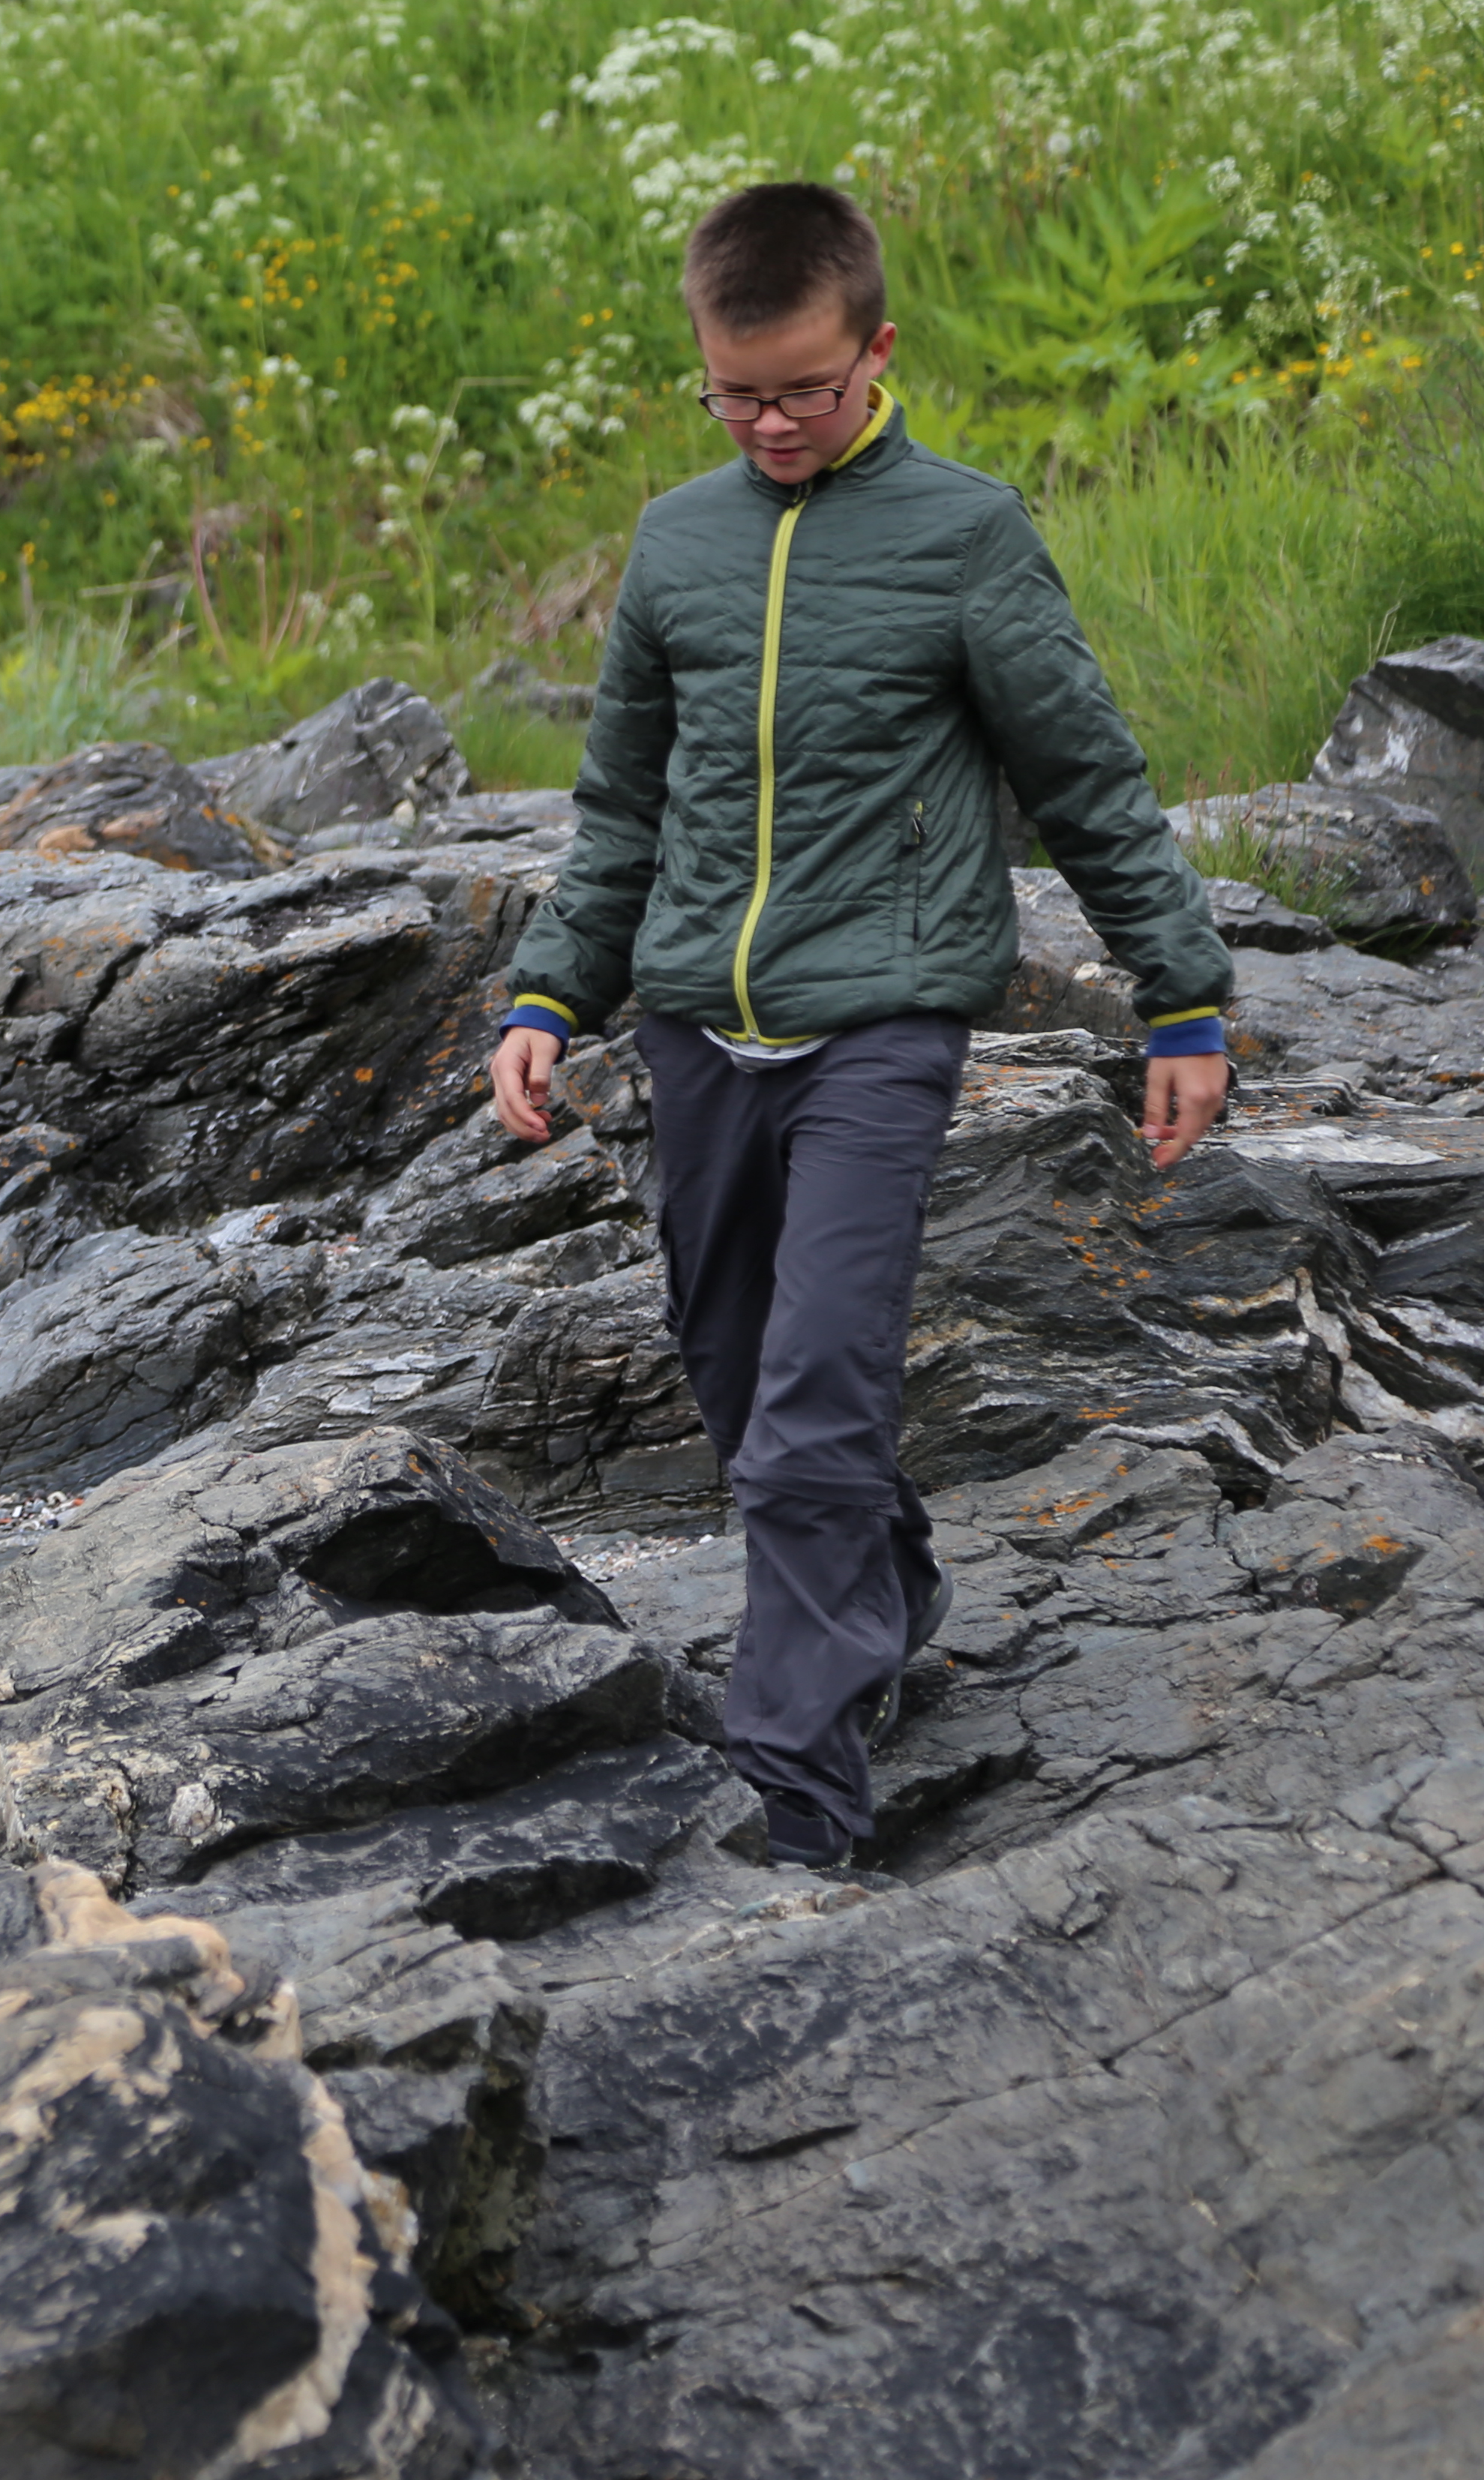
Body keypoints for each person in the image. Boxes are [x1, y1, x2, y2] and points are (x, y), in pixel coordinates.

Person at [485, 180, 1234, 1876]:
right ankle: (880, 1600)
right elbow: (617, 809)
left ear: (876, 351)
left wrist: (1180, 999)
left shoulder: (965, 534)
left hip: (883, 1024)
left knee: (820, 1399)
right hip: (694, 1024)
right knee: (746, 1386)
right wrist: (551, 993)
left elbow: (1089, 782)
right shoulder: (678, 542)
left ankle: (799, 1795)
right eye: (733, 393)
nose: (769, 424)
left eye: (804, 391)